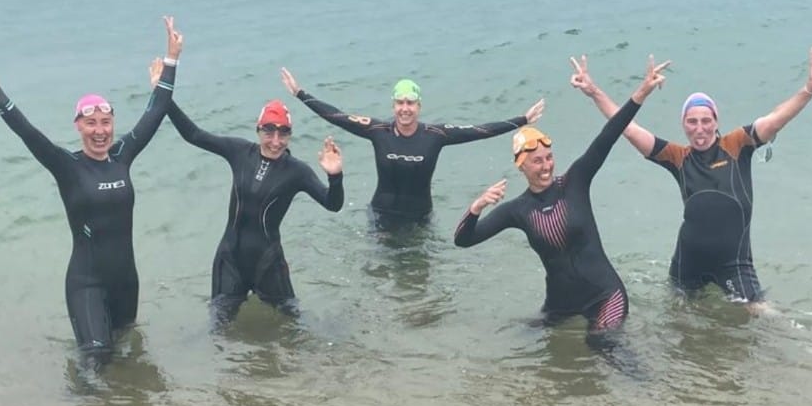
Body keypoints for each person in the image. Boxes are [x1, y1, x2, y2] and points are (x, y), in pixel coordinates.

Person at [0, 17, 183, 363]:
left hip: (126, 282)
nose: (99, 131)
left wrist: (171, 60)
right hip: (86, 283)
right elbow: (27, 133)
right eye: (91, 123)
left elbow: (155, 113)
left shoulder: (123, 156)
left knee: (128, 357)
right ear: (78, 126)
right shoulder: (67, 166)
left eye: (105, 122)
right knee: (95, 363)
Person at [569, 47, 812, 311]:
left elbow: (776, 120)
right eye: (692, 121)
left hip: (734, 263)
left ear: (716, 121)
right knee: (679, 320)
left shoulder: (738, 144)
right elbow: (627, 129)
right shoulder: (677, 157)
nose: (699, 129)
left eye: (706, 120)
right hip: (688, 263)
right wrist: (594, 92)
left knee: (764, 315)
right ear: (683, 124)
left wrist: (809, 89)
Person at [453, 56, 667, 338]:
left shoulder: (575, 181)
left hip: (605, 296)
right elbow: (464, 240)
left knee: (601, 344)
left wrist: (642, 91)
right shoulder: (517, 210)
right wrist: (477, 207)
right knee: (518, 341)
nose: (546, 166)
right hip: (561, 305)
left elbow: (610, 133)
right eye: (537, 161)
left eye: (549, 158)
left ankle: (646, 368)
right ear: (521, 166)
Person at [164, 85, 345, 326]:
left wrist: (335, 176)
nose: (276, 142)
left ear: (290, 135)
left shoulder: (297, 171)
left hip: (268, 262)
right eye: (269, 132)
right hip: (230, 258)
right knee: (219, 331)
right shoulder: (239, 152)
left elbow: (333, 204)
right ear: (258, 130)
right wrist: (163, 94)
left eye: (283, 134)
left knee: (293, 329)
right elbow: (194, 135)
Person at [281, 67, 545, 229]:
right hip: (380, 216)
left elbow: (479, 130)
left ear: (419, 106)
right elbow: (337, 116)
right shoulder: (377, 130)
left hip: (420, 219)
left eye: (410, 103)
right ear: (393, 105)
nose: (405, 108)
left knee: (420, 283)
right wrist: (300, 94)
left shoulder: (436, 135)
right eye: (400, 102)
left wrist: (522, 120)